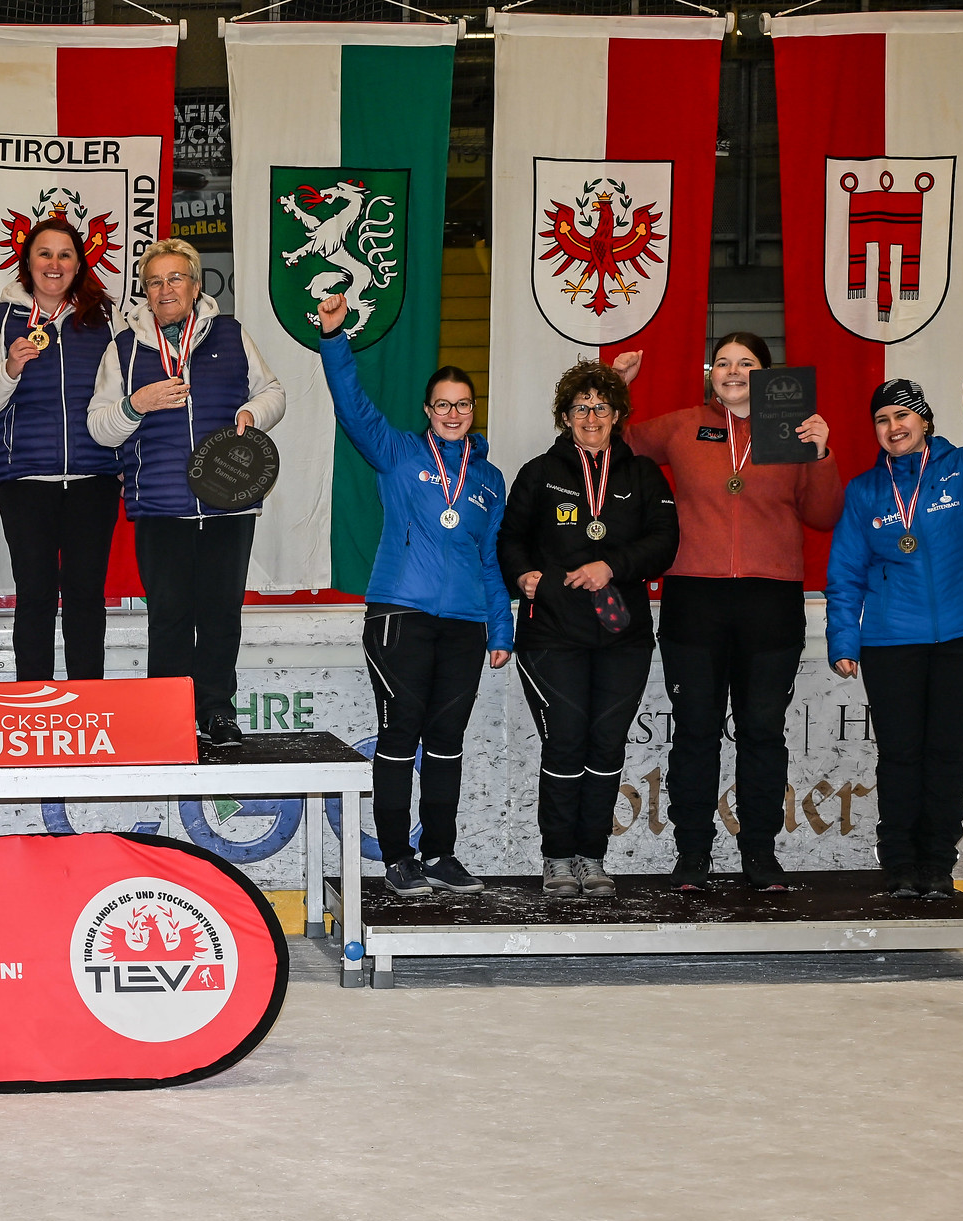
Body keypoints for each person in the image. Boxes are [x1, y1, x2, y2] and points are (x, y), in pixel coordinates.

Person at [613, 336, 839, 892]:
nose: (734, 371)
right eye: (724, 363)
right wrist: (619, 384)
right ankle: (692, 854)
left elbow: (824, 513)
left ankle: (760, 853)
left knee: (763, 732)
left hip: (772, 600)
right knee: (695, 732)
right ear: (710, 372)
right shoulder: (683, 425)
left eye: (748, 364)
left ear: (766, 375)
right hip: (695, 598)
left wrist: (823, 452)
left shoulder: (791, 427)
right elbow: (610, 445)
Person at [316, 294, 513, 896]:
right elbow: (352, 406)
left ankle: (442, 855)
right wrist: (333, 338)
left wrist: (501, 630)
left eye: (463, 404)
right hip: (400, 616)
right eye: (443, 405)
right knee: (402, 732)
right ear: (427, 410)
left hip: (464, 624)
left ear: (472, 410)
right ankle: (398, 856)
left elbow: (490, 559)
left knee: (447, 740)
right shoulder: (398, 452)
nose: (453, 413)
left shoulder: (487, 479)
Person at [826, 378, 963, 900]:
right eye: (883, 420)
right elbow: (845, 572)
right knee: (900, 756)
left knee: (947, 755)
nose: (894, 427)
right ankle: (898, 864)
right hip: (892, 642)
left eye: (903, 416)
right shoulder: (866, 491)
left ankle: (937, 862)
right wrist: (843, 640)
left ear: (926, 420)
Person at [86, 238, 285, 746]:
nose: (165, 288)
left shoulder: (232, 334)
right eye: (155, 281)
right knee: (169, 617)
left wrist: (251, 415)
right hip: (160, 506)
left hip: (228, 503)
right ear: (144, 293)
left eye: (176, 278)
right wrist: (137, 403)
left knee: (221, 615)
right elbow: (100, 428)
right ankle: (166, 716)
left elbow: (273, 393)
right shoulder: (124, 348)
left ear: (197, 287)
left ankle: (217, 711)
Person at [498, 359, 678, 898]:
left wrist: (613, 566)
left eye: (601, 407)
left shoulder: (643, 474)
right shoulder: (539, 473)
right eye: (581, 408)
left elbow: (664, 543)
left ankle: (591, 857)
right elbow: (509, 538)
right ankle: (557, 858)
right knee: (565, 743)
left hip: (622, 637)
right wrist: (522, 574)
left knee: (605, 747)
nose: (591, 416)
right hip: (552, 634)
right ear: (565, 416)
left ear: (618, 414)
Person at [0, 216, 123, 681]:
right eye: (44, 254)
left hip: (94, 478)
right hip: (25, 481)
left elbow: (124, 393)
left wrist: (122, 460)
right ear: (27, 262)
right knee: (34, 593)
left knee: (85, 594)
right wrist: (10, 368)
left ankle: (88, 700)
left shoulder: (105, 320)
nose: (54, 264)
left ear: (79, 264)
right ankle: (33, 699)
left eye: (65, 254)